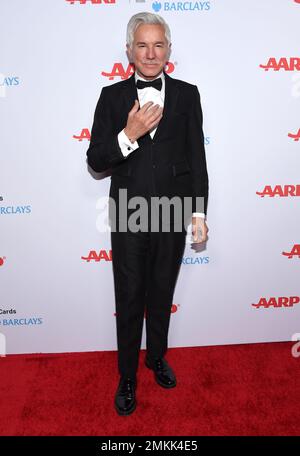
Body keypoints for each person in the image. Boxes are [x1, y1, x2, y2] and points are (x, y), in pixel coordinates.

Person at [86, 11, 209, 416]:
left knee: (161, 293)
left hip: (173, 212)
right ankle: (126, 376)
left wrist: (198, 213)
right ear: (129, 51)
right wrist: (129, 134)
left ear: (169, 50)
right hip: (129, 212)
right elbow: (96, 160)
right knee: (129, 295)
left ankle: (156, 357)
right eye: (142, 45)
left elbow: (197, 158)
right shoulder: (111, 97)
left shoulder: (188, 94)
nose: (151, 53)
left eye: (158, 44)